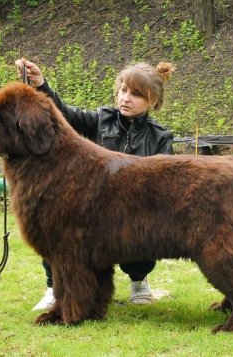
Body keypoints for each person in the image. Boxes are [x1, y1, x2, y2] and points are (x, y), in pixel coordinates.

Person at [14, 57, 175, 311]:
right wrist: (41, 84)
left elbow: (165, 183)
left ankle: (139, 281)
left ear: (152, 101)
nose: (126, 98)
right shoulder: (101, 119)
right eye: (123, 90)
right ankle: (54, 289)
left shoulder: (161, 137)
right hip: (94, 211)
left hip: (132, 214)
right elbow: (64, 115)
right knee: (58, 231)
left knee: (141, 248)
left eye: (136, 94)